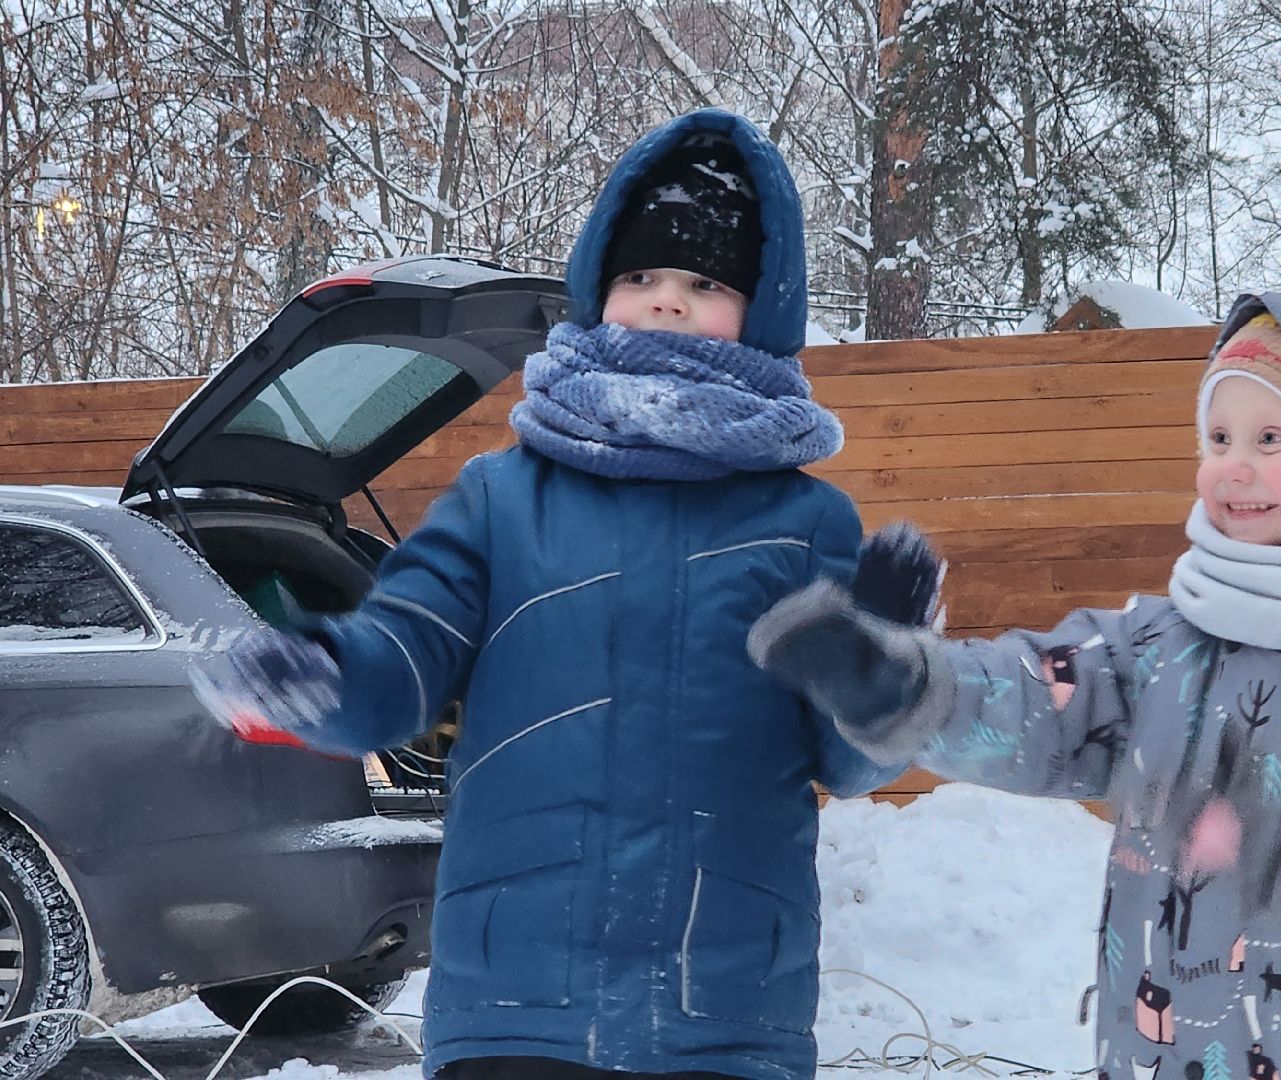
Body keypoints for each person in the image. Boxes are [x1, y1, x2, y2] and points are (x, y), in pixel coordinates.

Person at [190, 108, 921, 1080]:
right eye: (639, 277)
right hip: (515, 1016)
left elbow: (855, 757)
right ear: (596, 292)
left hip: (721, 1019)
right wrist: (326, 669)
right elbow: (405, 650)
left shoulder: (807, 524)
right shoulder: (502, 500)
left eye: (703, 282)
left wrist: (881, 660)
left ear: (763, 307)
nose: (665, 300)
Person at [748, 283, 1281, 1080]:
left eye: (1271, 438)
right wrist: (912, 690)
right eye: (1217, 436)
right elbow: (1038, 696)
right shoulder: (1166, 646)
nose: (1233, 466)